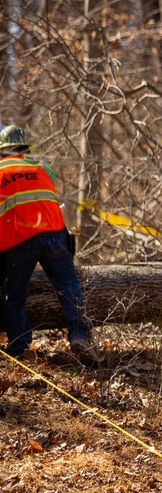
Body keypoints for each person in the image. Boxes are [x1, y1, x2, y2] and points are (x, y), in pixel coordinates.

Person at [0, 126, 99, 364]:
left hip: (19, 240)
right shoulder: (42, 167)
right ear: (25, 148)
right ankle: (80, 336)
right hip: (54, 234)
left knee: (14, 296)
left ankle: (20, 347)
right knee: (69, 287)